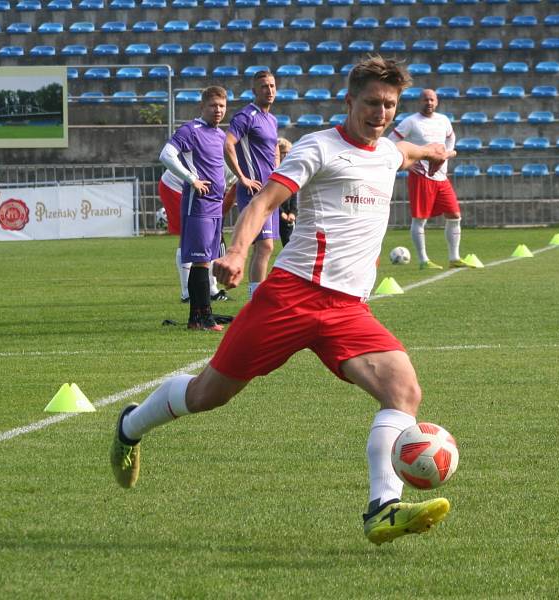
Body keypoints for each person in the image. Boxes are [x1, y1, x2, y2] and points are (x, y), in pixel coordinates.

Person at [111, 56, 452, 546]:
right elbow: (263, 202)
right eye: (372, 103)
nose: (381, 113)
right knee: (208, 395)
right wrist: (235, 251)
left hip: (348, 309)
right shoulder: (319, 148)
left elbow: (407, 152)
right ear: (349, 101)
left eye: (390, 106)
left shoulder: (387, 150)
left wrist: (431, 150)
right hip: (290, 298)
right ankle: (131, 424)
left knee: (403, 393)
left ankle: (383, 507)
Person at [158, 86, 229, 331]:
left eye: (221, 106)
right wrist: (191, 179)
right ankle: (204, 318)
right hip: (198, 204)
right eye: (213, 105)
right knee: (201, 262)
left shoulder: (220, 135)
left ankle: (196, 319)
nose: (218, 110)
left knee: (206, 261)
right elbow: (166, 155)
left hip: (216, 204)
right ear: (203, 107)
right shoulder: (191, 130)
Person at [389, 88, 470, 270]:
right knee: (420, 219)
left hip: (441, 178)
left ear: (437, 101)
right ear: (420, 101)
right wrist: (410, 161)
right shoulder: (411, 122)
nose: (429, 103)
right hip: (421, 177)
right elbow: (391, 141)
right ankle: (423, 260)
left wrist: (448, 154)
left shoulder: (443, 120)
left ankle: (454, 258)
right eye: (425, 99)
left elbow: (451, 137)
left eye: (432, 99)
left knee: (454, 215)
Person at [223, 70, 279, 298]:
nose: (270, 90)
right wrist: (242, 178)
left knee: (267, 247)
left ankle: (257, 297)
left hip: (271, 189)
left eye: (273, 86)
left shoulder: (272, 119)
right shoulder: (246, 116)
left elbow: (274, 146)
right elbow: (227, 144)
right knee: (264, 246)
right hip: (254, 192)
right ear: (254, 91)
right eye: (264, 86)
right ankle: (256, 299)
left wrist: (278, 170)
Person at [159, 168, 230, 304]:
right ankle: (187, 293)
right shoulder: (236, 162)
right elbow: (229, 197)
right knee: (188, 236)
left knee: (207, 237)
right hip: (175, 186)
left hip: (194, 188)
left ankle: (211, 290)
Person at [276, 138, 297, 247]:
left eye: (289, 152)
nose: (286, 155)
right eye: (283, 152)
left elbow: (294, 194)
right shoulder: (273, 171)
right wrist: (280, 213)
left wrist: (293, 212)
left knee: (290, 245)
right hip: (275, 214)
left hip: (288, 216)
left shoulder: (292, 171)